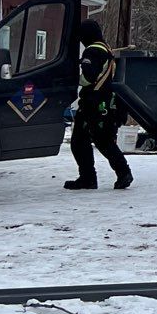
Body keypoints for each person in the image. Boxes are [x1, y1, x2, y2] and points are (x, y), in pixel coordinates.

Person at [64, 19, 132, 191]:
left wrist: (71, 79)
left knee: (80, 142)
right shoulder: (105, 48)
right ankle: (122, 173)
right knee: (103, 140)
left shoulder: (92, 51)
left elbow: (88, 77)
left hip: (92, 103)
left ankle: (89, 178)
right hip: (104, 103)